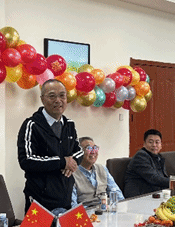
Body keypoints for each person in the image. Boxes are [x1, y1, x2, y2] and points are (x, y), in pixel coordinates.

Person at [17, 79, 82, 214]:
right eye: (52, 96)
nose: (58, 100)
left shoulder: (69, 124)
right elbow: (26, 161)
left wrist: (72, 162)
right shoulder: (31, 125)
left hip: (66, 198)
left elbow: (79, 151)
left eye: (62, 95)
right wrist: (62, 162)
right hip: (39, 202)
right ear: (42, 99)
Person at [124, 129, 175, 198]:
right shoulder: (140, 156)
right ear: (144, 144)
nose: (154, 145)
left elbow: (162, 178)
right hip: (138, 197)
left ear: (161, 145)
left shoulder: (158, 157)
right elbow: (154, 178)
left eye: (157, 142)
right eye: (150, 142)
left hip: (154, 194)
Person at [71, 137, 124, 210]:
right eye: (89, 148)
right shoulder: (72, 173)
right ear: (78, 152)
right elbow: (73, 206)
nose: (93, 152)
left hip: (107, 210)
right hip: (86, 213)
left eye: (95, 148)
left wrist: (122, 208)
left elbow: (115, 192)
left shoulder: (102, 168)